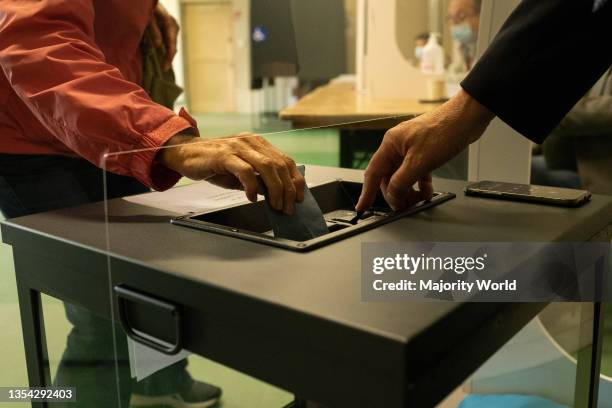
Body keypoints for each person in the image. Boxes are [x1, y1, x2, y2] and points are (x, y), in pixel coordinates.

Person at [0, 1, 304, 407]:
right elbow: (36, 42)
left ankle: (159, 383)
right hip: (27, 138)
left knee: (153, 269)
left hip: (103, 129)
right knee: (98, 306)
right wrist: (165, 139)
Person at [357, 0, 612, 212]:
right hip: (560, 155)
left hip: (593, 171)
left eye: (462, 17)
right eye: (452, 20)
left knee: (459, 170)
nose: (458, 26)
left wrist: (470, 109)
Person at [446, 0, 481, 82]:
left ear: (482, 16)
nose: (454, 22)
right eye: (451, 17)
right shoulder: (461, 45)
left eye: (461, 16)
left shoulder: (493, 46)